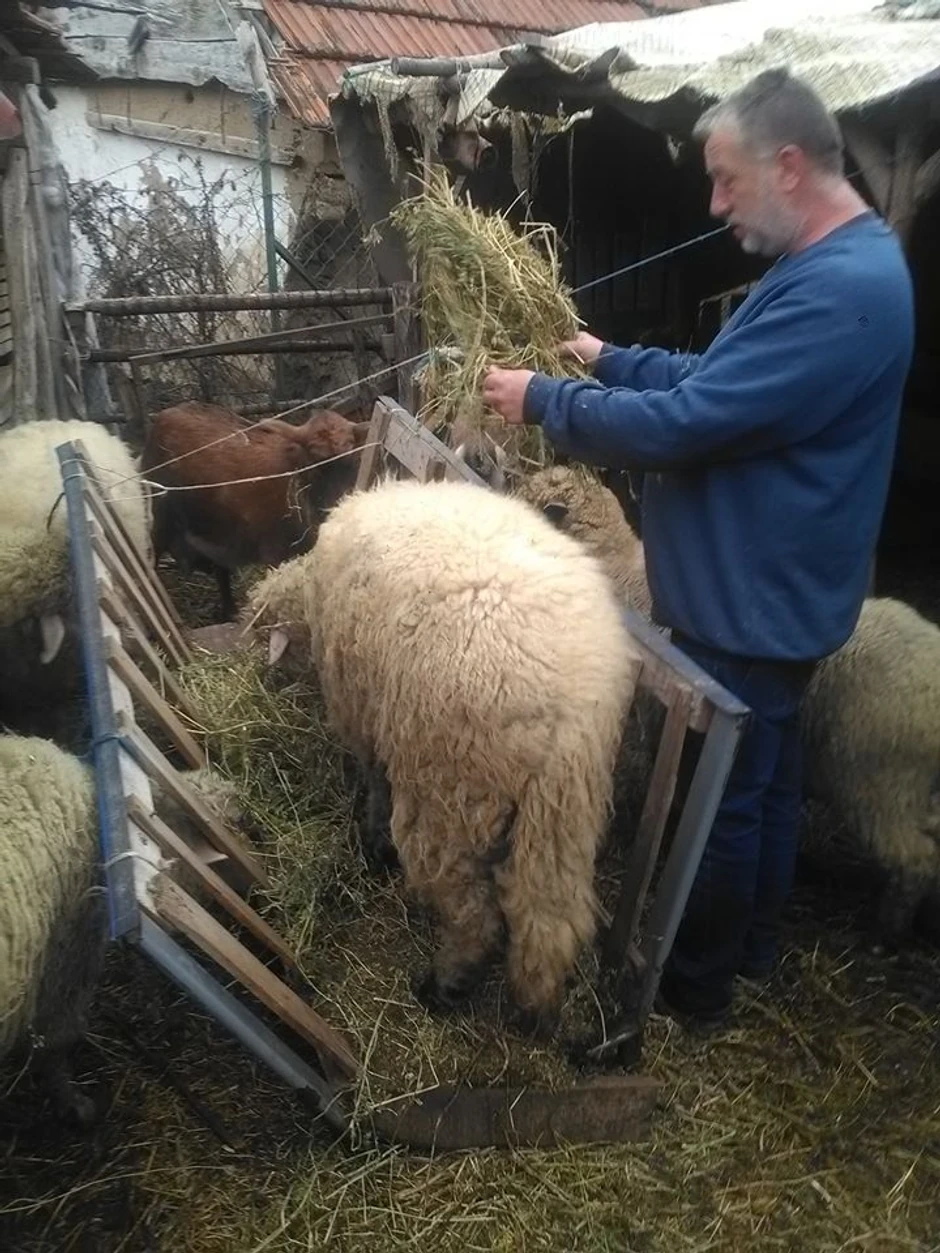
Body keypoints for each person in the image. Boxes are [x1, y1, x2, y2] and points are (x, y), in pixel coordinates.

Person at [481, 67, 915, 1028]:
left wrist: (546, 403)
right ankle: (747, 953)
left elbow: (692, 422)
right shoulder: (828, 269)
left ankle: (694, 990)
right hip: (772, 588)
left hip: (751, 598)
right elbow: (722, 377)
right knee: (760, 782)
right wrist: (607, 358)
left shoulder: (842, 288)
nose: (714, 204)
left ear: (789, 166)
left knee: (719, 801)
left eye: (725, 180)